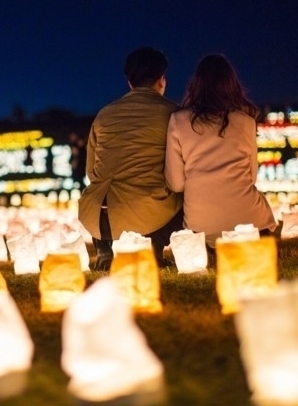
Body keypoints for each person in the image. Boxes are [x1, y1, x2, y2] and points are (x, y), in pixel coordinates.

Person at [78, 47, 183, 271]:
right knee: (186, 191)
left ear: (129, 83)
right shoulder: (173, 113)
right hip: (150, 214)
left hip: (100, 215)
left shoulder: (104, 114)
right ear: (161, 80)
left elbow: (91, 171)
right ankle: (154, 249)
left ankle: (105, 248)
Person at [164, 54, 277, 255]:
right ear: (231, 85)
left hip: (202, 226)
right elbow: (251, 177)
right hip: (251, 223)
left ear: (196, 84)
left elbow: (176, 184)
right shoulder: (246, 122)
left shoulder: (178, 121)